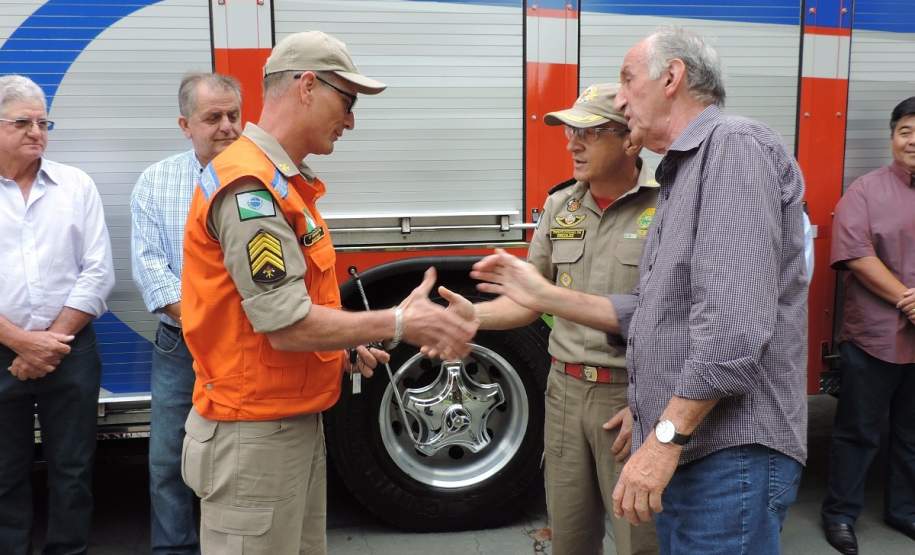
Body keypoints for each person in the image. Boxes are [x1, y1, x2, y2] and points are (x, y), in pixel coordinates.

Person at [471, 27, 808, 554]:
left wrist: (664, 435)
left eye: (628, 80)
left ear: (672, 77)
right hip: (692, 442)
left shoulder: (734, 147)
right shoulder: (685, 173)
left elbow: (733, 329)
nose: (622, 98)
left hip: (728, 451)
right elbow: (653, 314)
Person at [179, 31, 477, 554]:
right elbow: (287, 323)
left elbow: (276, 315)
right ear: (307, 86)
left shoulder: (281, 182)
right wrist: (400, 322)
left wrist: (338, 346)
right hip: (254, 440)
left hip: (281, 429)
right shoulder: (251, 188)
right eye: (347, 100)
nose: (351, 120)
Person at [435, 83, 658, 555]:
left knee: (643, 541)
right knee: (570, 538)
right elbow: (530, 300)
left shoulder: (668, 207)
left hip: (629, 398)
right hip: (563, 395)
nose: (572, 144)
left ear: (630, 139)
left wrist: (652, 404)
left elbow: (678, 320)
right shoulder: (561, 206)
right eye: (569, 132)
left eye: (590, 132)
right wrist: (472, 316)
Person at [0, 74, 115, 554]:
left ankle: (68, 549)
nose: (37, 132)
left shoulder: (76, 185)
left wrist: (49, 343)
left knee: (73, 469)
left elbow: (99, 272)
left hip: (71, 351)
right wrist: (21, 342)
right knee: (4, 470)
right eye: (22, 122)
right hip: (3, 353)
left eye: (43, 122)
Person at [131, 72, 242, 555]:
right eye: (212, 117)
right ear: (185, 124)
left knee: (243, 459)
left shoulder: (267, 178)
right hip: (182, 343)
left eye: (234, 115)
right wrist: (207, 322)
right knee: (168, 461)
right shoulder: (156, 182)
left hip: (249, 345)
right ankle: (173, 550)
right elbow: (151, 269)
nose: (227, 126)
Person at [821, 96, 915, 555]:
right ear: (893, 137)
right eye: (905, 130)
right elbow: (856, 255)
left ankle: (904, 509)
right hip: (874, 338)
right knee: (858, 431)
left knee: (912, 433)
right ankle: (840, 514)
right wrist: (907, 299)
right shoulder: (866, 191)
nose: (913, 140)